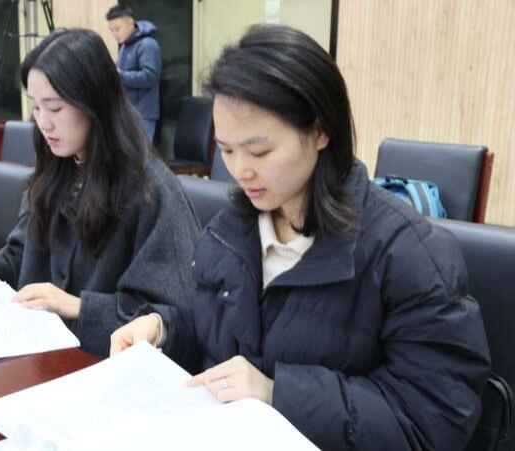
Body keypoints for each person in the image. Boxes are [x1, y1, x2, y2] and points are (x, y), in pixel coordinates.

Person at [110, 24, 490, 450]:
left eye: (259, 151)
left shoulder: (408, 254)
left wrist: (277, 394)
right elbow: (217, 338)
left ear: (320, 131)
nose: (240, 171)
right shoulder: (229, 232)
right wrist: (164, 330)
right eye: (226, 150)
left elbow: (432, 422)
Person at [0, 29, 199, 359]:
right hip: (41, 354)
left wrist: (78, 306)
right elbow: (25, 252)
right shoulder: (55, 168)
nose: (43, 123)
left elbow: (171, 316)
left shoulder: (150, 190)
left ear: (95, 102)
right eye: (36, 108)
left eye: (55, 108)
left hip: (104, 366)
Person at [106, 5, 161, 141]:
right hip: (128, 112)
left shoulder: (148, 44)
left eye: (117, 29)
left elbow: (150, 77)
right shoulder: (125, 45)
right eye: (112, 30)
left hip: (143, 114)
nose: (114, 34)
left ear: (130, 23)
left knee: (142, 153)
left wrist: (120, 75)